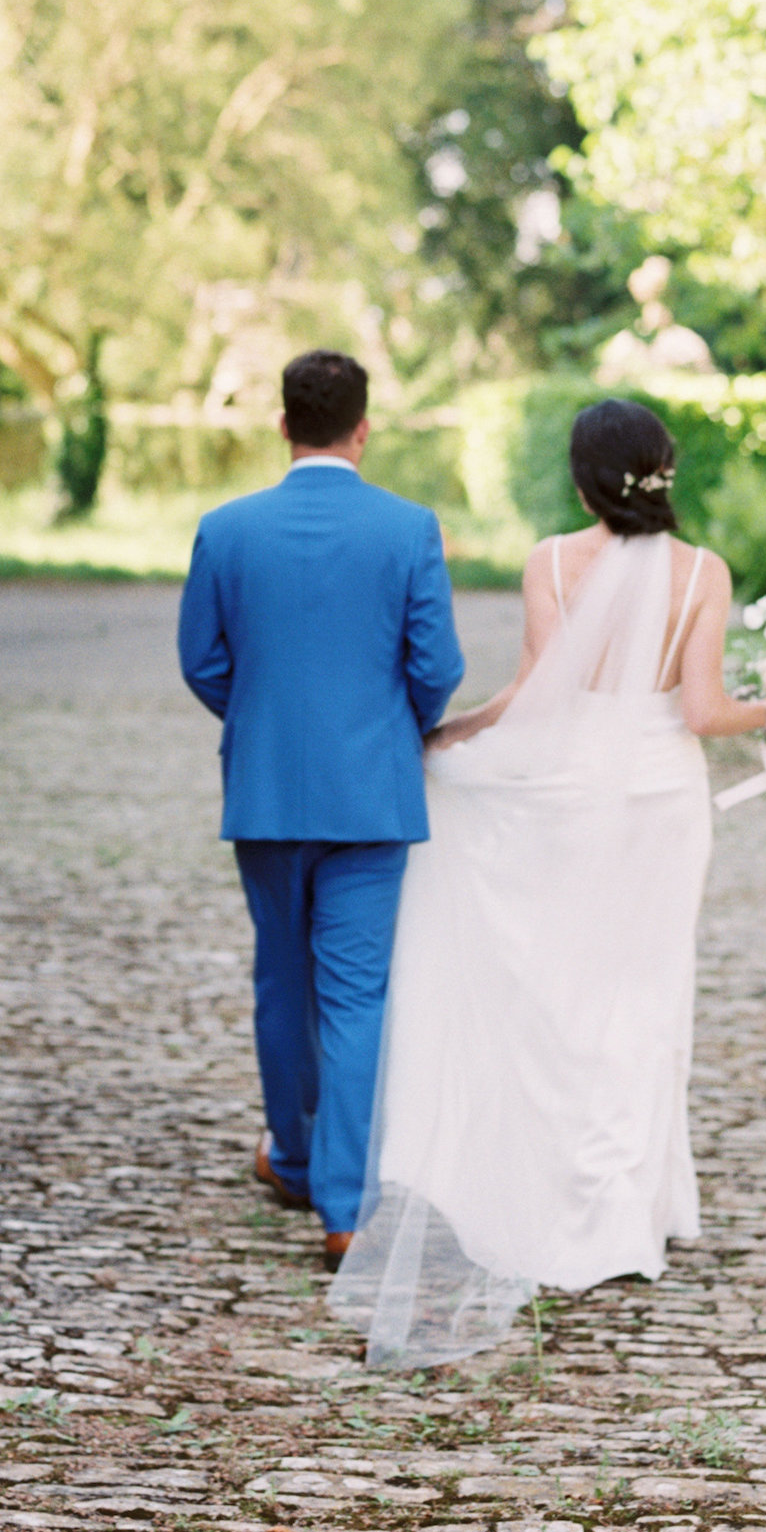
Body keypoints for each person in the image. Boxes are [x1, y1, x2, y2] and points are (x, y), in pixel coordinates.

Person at [329, 397, 766, 1369]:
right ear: (663, 471)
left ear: (583, 477)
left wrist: (451, 735)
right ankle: (624, 1212)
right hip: (657, 804)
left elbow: (532, 696)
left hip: (562, 796)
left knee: (559, 988)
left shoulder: (550, 561)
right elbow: (703, 710)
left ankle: (553, 1191)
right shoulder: (701, 573)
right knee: (641, 990)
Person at [177, 349, 465, 1271]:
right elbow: (438, 669)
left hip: (265, 792)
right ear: (364, 427)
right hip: (372, 798)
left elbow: (203, 660)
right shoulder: (410, 527)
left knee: (280, 980)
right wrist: (390, 730)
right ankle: (344, 1208)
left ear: (283, 424)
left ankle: (293, 1158)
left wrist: (262, 721)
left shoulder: (225, 529)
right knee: (355, 996)